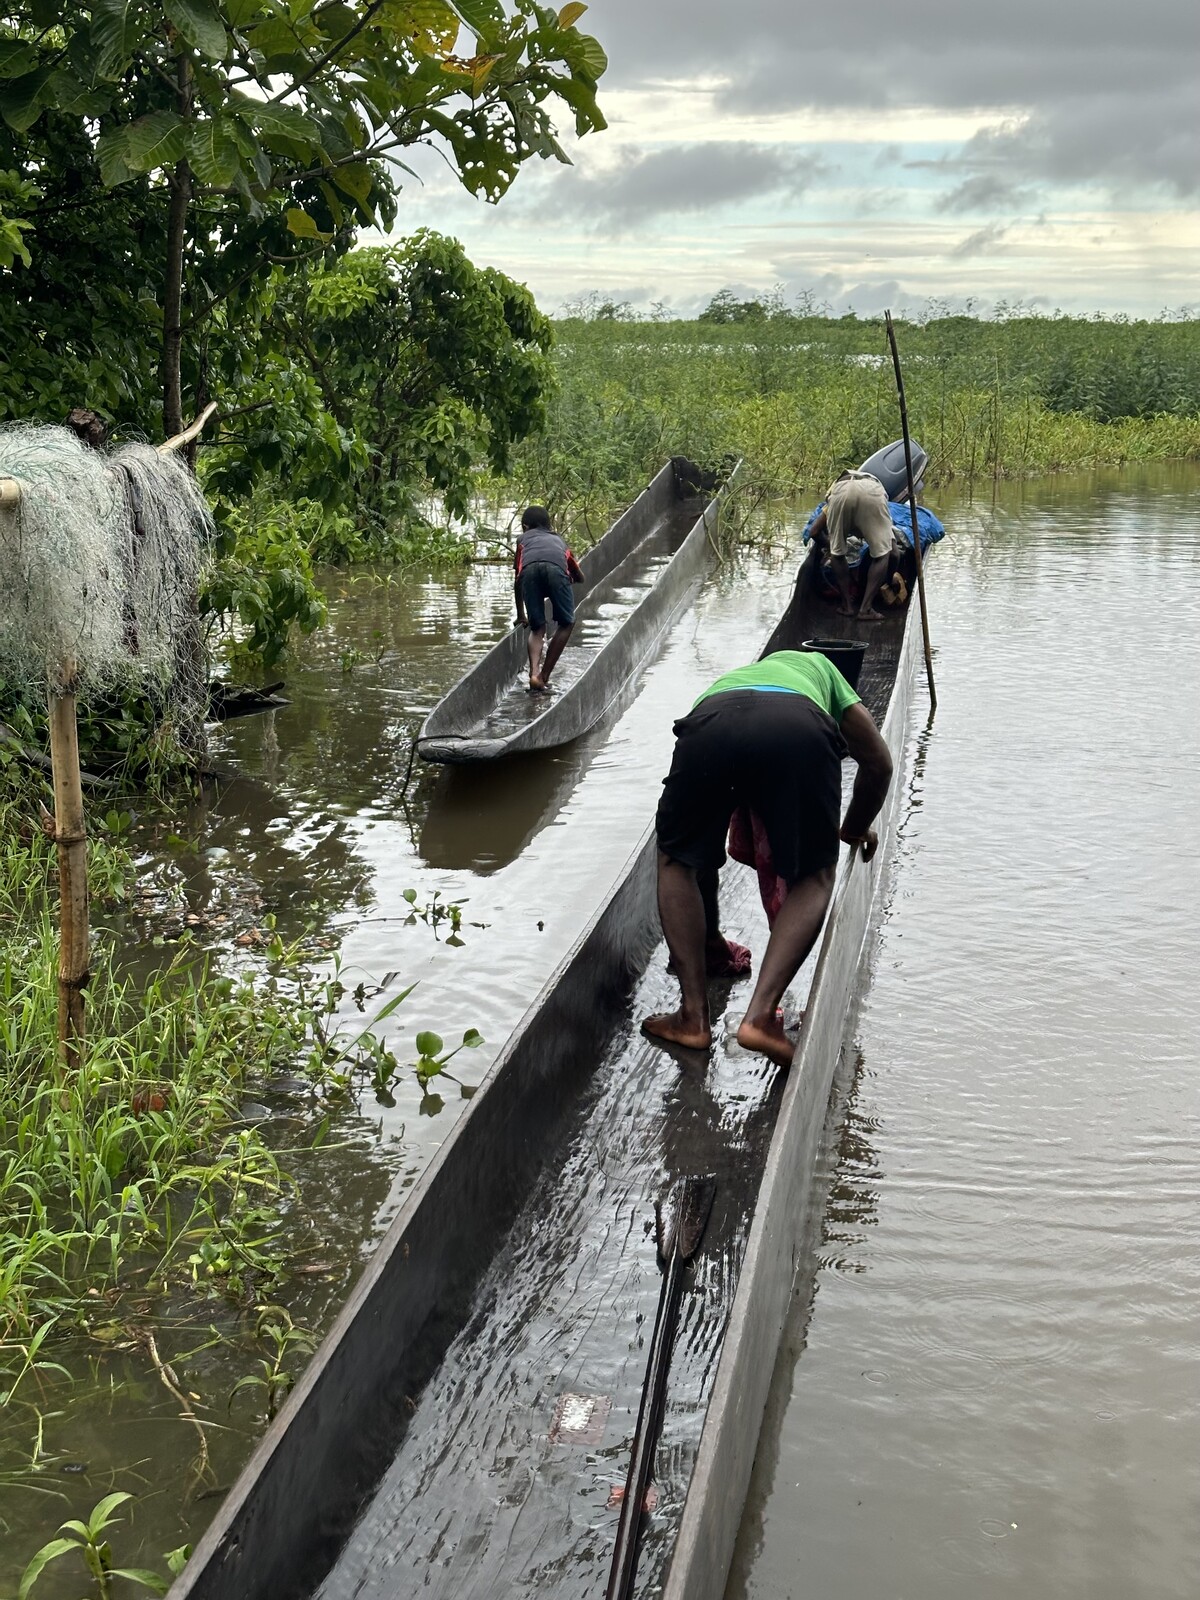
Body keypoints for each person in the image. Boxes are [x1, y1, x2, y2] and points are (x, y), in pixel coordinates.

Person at [642, 649, 893, 1068]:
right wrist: (852, 829)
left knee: (678, 861)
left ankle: (692, 1017)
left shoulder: (737, 676)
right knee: (814, 877)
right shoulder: (827, 672)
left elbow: (701, 850)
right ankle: (760, 1017)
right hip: (797, 730)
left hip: (709, 726)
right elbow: (878, 764)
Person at [807, 469, 903, 621]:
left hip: (840, 493)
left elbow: (814, 532)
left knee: (837, 554)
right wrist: (889, 578)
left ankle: (846, 606)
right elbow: (894, 554)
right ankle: (866, 609)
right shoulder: (878, 495)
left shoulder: (832, 499)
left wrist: (830, 547)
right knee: (883, 554)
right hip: (872, 494)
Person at [513, 506, 585, 692]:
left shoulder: (522, 540)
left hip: (528, 572)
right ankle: (543, 676)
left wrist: (521, 615)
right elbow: (580, 576)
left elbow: (518, 580)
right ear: (549, 525)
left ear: (525, 527)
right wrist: (571, 578)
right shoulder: (559, 541)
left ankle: (534, 673)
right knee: (567, 623)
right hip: (555, 570)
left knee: (537, 628)